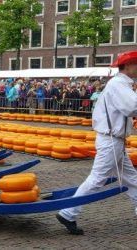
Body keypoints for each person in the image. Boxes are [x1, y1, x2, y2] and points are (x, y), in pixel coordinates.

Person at [56, 51, 137, 235]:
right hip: (111, 141)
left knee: (132, 179)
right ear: (128, 66)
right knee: (97, 179)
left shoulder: (121, 84)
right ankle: (68, 212)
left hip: (114, 141)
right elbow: (132, 107)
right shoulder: (119, 84)